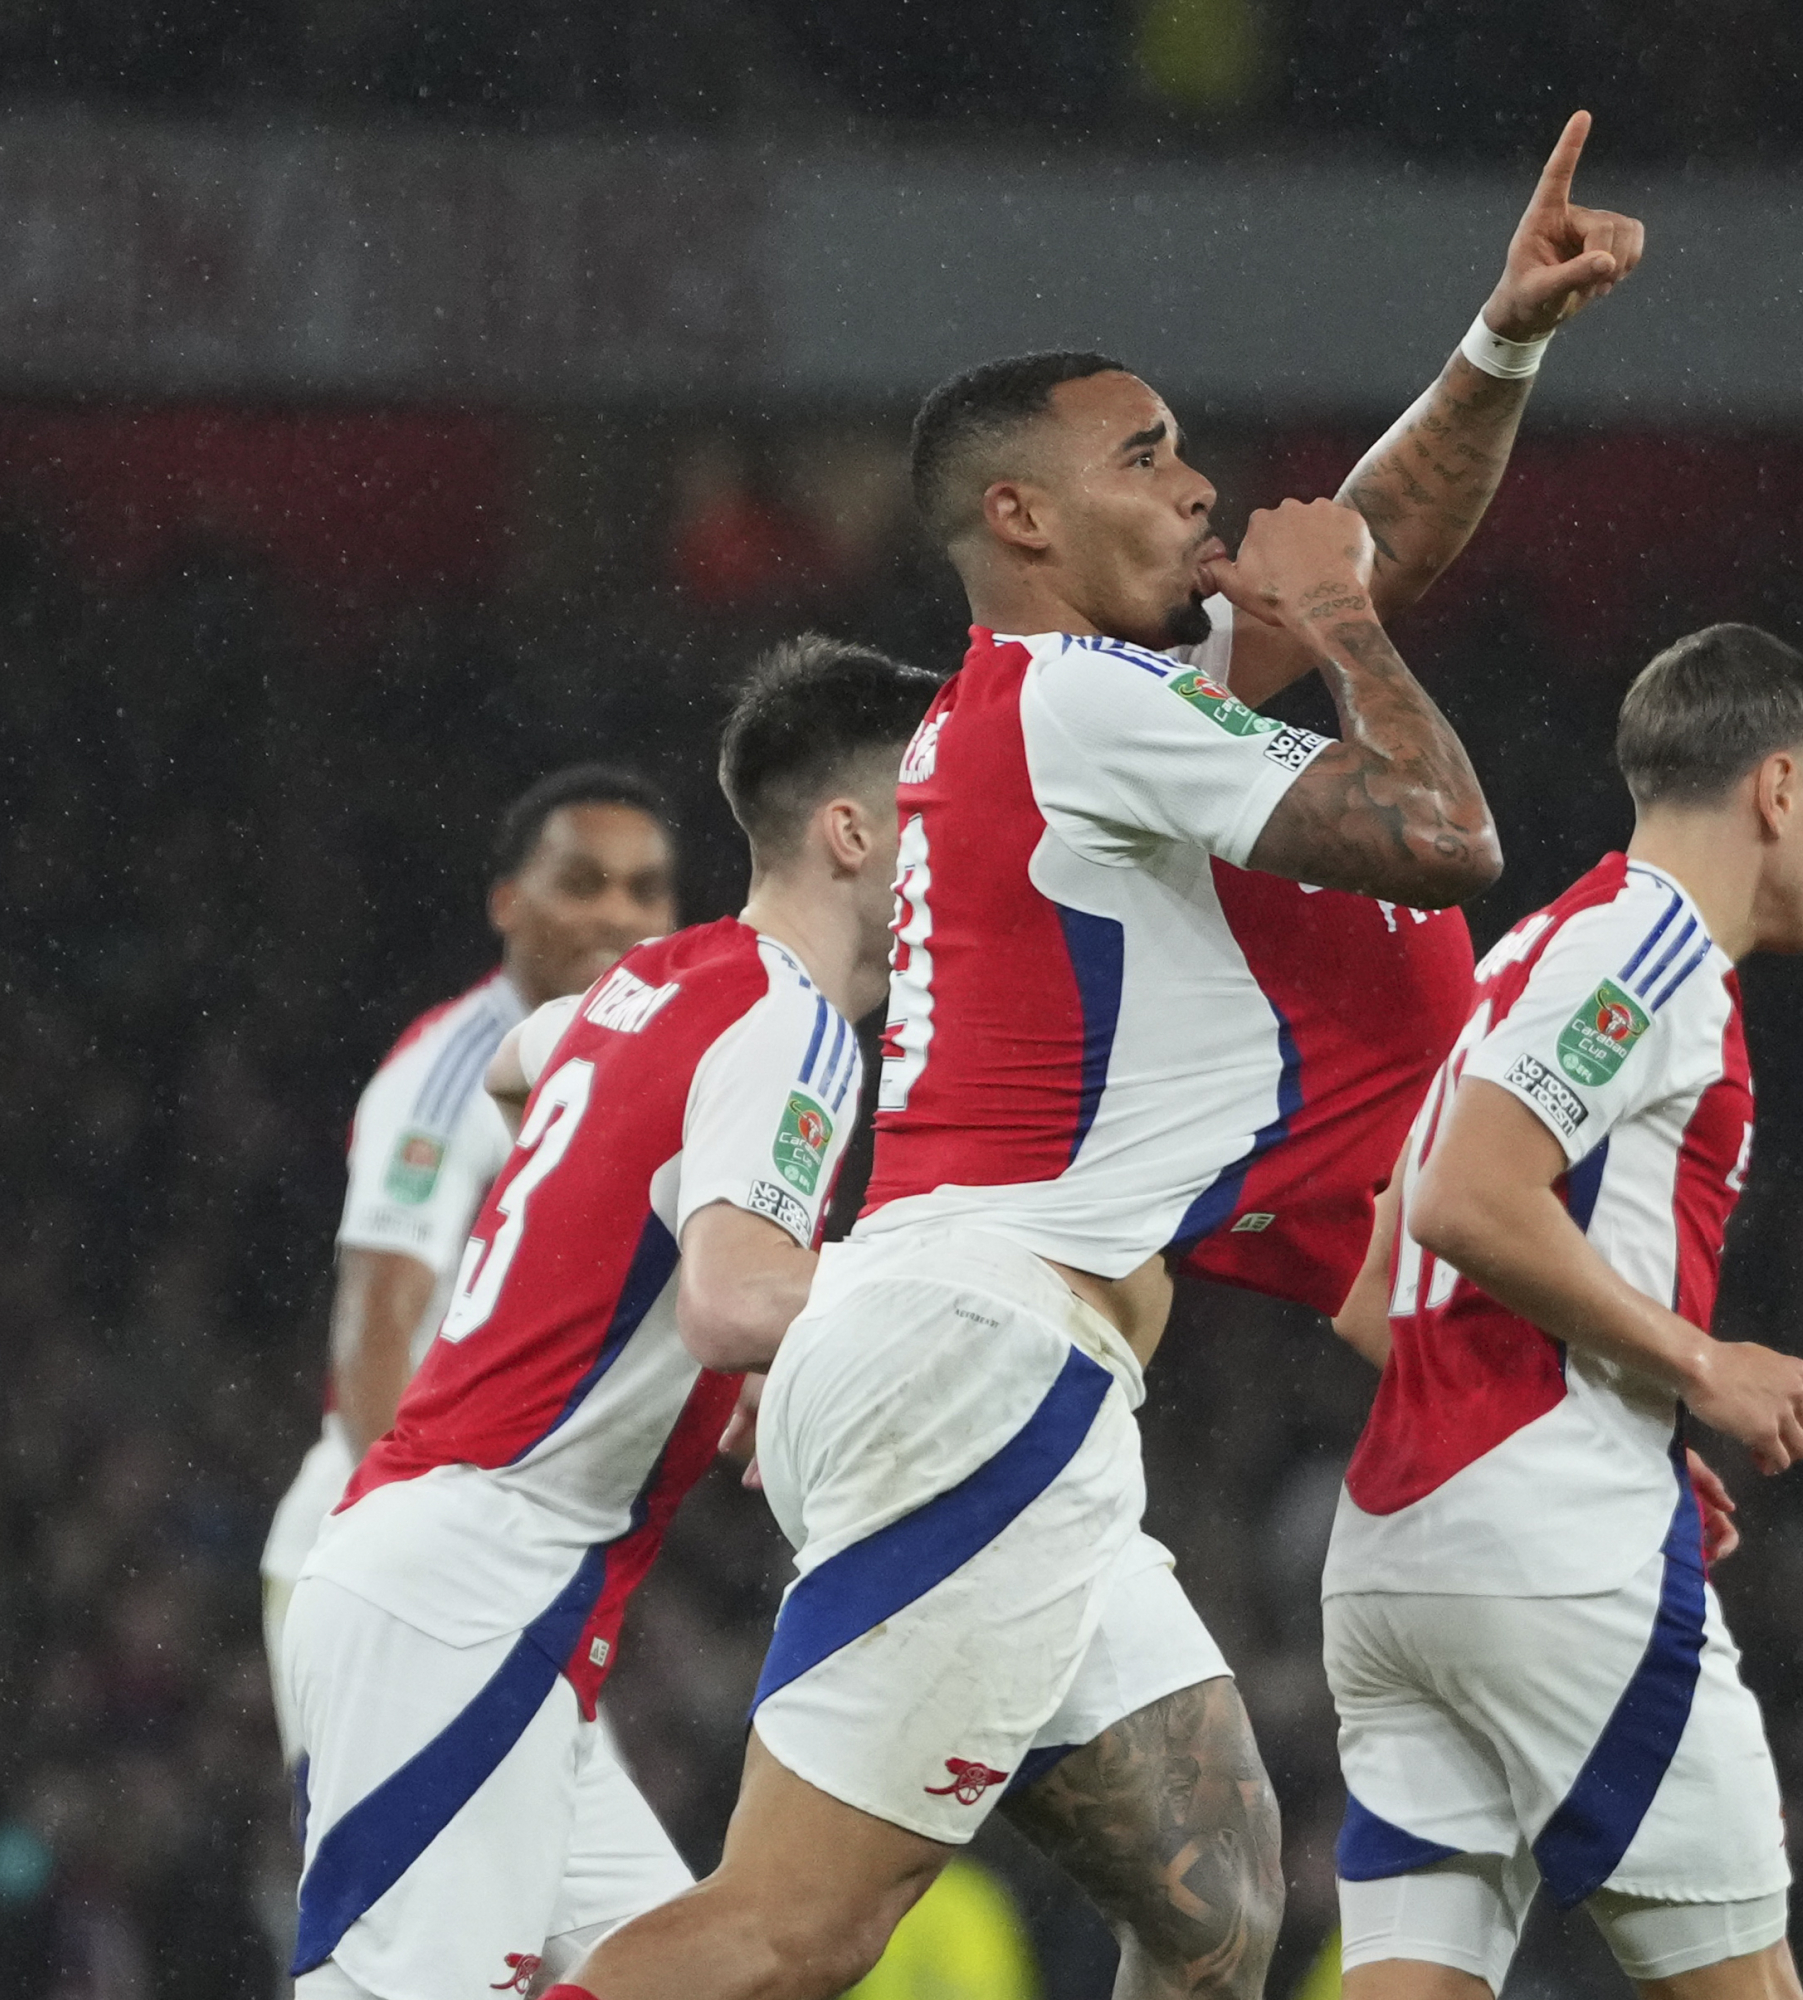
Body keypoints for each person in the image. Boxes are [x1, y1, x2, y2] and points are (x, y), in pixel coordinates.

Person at [560, 109, 1647, 2000]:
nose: (1201, 483)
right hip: (982, 1352)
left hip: (966, 1345)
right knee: (789, 1930)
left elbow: (1361, 530)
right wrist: (1342, 623)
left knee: (1218, 1898)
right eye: (1146, 455)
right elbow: (1439, 827)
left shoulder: (1070, 718)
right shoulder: (1076, 707)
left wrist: (1501, 345)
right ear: (1023, 521)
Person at [278, 638, 942, 2000]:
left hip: (489, 1588)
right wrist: (960, 1293)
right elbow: (737, 1296)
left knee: (723, 1976)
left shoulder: (653, 985)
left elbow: (532, 1078)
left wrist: (663, 1335)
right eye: (943, 823)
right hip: (471, 1583)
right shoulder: (794, 1025)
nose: (971, 859)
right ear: (852, 834)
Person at [1319, 625, 1803, 2000]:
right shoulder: (1652, 951)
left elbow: (1379, 1280)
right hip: (1553, 1549)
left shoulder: (1538, 950)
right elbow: (1464, 1204)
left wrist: (1616, 1401)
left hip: (1399, 1554)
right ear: (1778, 788)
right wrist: (1698, 1369)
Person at [259, 766, 679, 1758]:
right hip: (398, 1560)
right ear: (508, 902)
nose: (616, 912)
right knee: (408, 1907)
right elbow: (376, 1324)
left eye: (644, 887)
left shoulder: (613, 1070)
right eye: (582, 881)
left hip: (506, 1570)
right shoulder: (453, 1075)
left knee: (591, 1911)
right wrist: (417, 1564)